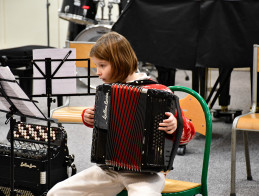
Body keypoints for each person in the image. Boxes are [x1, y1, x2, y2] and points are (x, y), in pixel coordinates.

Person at [47, 32, 195, 196]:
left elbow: (188, 134)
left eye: (102, 66)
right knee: (58, 192)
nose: (97, 72)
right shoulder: (108, 92)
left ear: (119, 63)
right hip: (108, 169)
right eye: (97, 66)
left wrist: (175, 126)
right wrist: (89, 117)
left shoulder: (160, 93)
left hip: (147, 174)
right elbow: (103, 125)